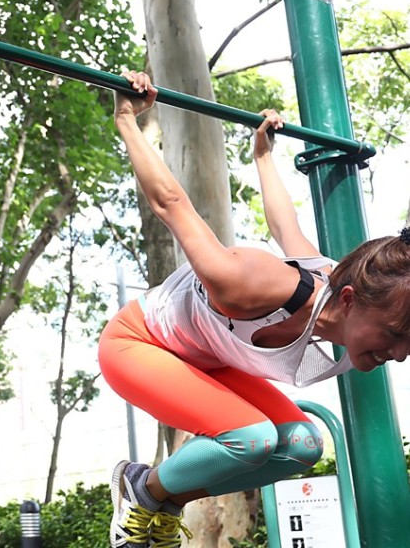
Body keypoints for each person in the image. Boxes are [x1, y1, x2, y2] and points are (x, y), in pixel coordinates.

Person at [99, 71, 410, 547]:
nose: (401, 353)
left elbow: (286, 226)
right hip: (137, 344)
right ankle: (142, 489)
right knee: (254, 437)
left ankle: (163, 501)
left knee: (303, 445)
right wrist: (126, 118)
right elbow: (171, 203)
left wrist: (263, 156)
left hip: (205, 361)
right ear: (348, 300)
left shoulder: (333, 277)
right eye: (394, 334)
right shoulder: (249, 284)